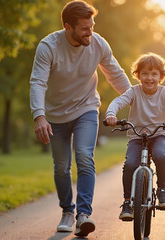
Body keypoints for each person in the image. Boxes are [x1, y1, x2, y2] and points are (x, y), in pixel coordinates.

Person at [29, 0, 131, 237]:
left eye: (92, 25)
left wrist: (136, 102)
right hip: (54, 115)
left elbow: (116, 75)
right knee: (62, 167)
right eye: (85, 28)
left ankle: (83, 215)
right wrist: (39, 116)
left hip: (86, 108)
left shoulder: (98, 43)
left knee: (85, 157)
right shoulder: (48, 47)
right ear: (68, 27)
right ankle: (67, 211)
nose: (90, 32)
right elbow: (38, 82)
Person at [104, 52, 165, 221]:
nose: (149, 78)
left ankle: (162, 190)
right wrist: (111, 114)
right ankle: (127, 202)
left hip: (159, 135)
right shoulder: (133, 92)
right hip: (137, 136)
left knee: (160, 155)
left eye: (154, 74)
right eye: (145, 73)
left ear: (161, 76)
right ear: (138, 75)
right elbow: (117, 102)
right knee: (129, 164)